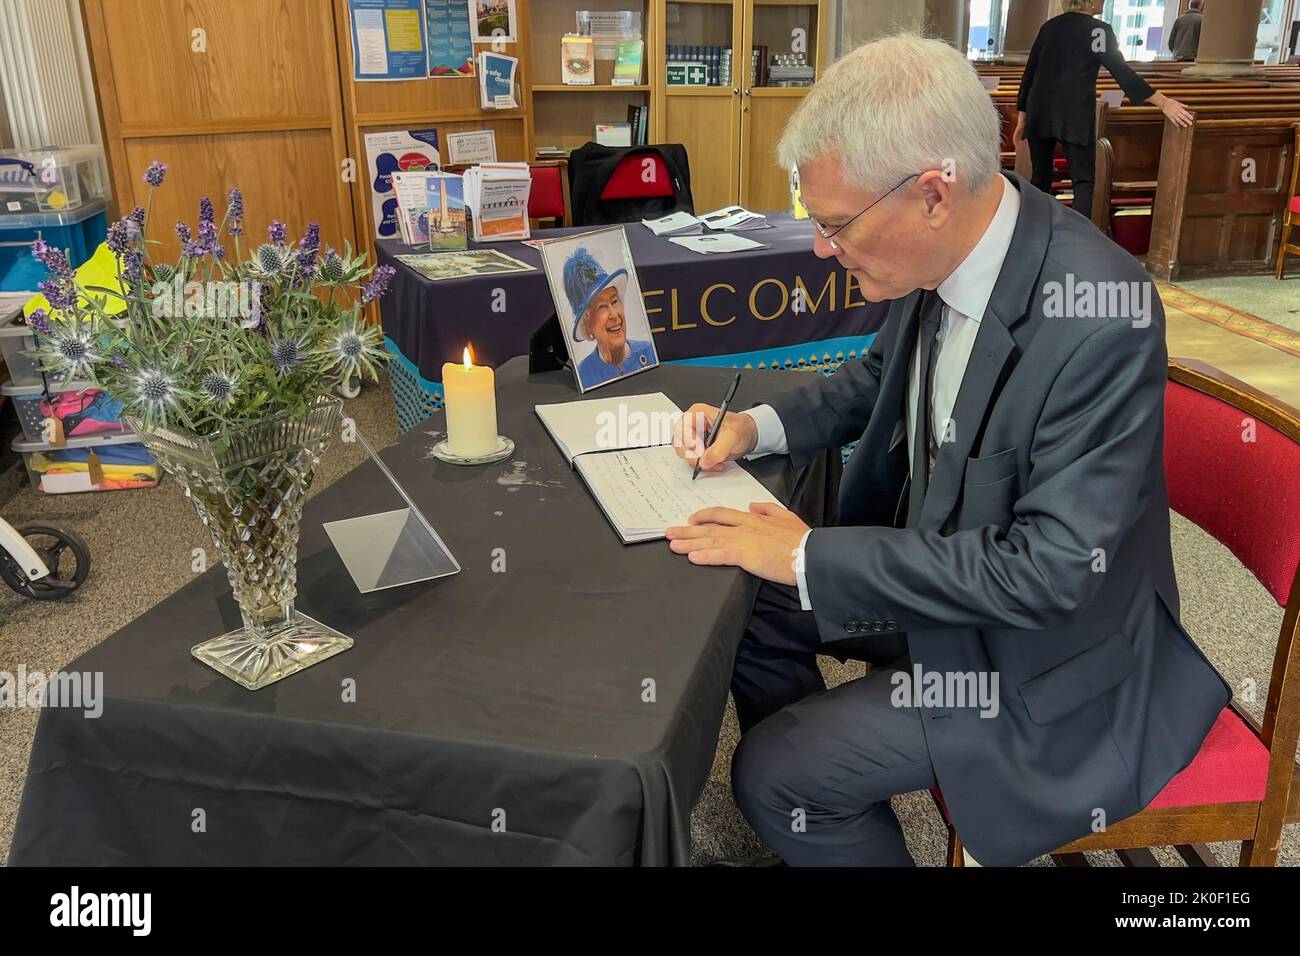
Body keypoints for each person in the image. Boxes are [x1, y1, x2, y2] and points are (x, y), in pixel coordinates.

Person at [667, 33, 1229, 867]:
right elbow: (869, 383)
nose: (823, 248)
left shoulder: (1099, 314)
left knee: (776, 775)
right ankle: (826, 784)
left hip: (1047, 658)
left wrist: (813, 555)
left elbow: (1051, 574)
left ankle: (807, 787)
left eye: (834, 225)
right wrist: (755, 428)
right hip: (950, 584)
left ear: (934, 192)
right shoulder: (946, 251)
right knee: (744, 606)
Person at [1014, 0, 1194, 223]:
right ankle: (1079, 240)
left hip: (1040, 108)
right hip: (1074, 110)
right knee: (1083, 181)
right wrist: (1164, 102)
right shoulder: (1098, 30)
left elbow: (1030, 72)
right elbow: (1120, 70)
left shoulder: (1050, 27)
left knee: (1040, 179)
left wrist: (1023, 115)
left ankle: (1034, 229)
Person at [563, 246, 654, 388]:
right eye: (602, 307)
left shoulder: (649, 352)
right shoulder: (584, 374)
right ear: (587, 324)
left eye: (614, 301)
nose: (614, 315)